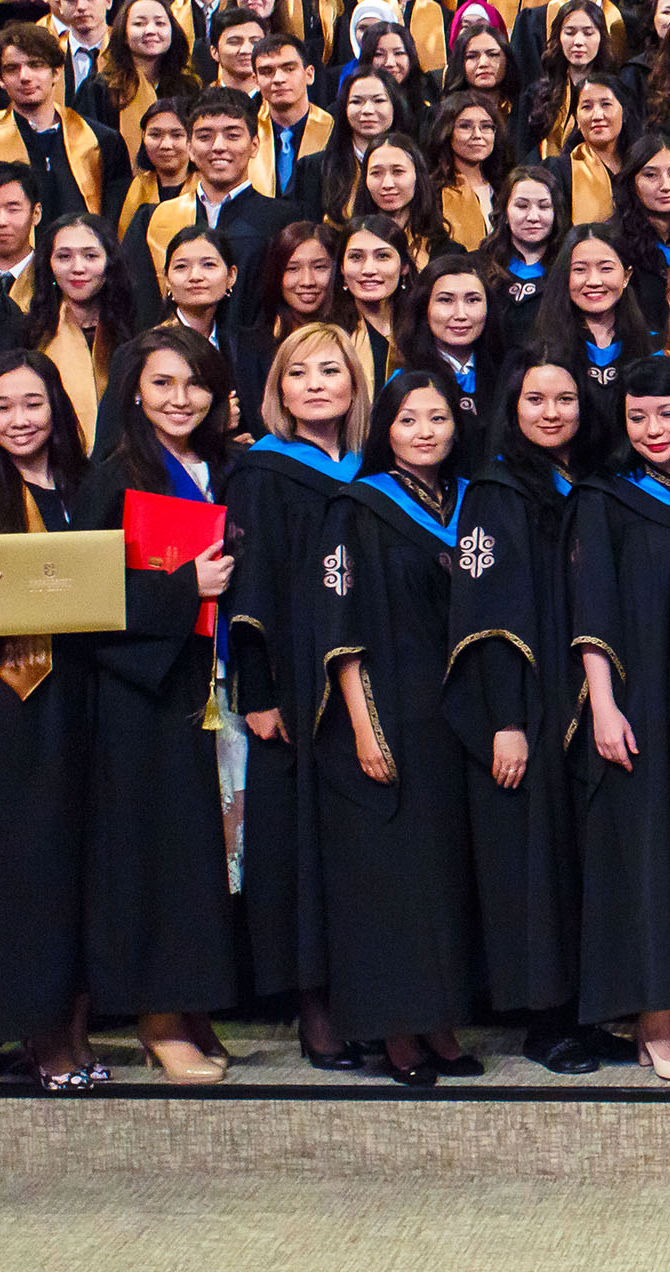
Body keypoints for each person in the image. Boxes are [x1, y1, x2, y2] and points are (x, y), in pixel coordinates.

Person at [75, 323, 241, 1083]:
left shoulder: (226, 468)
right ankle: (157, 1019)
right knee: (160, 853)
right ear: (134, 392)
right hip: (144, 693)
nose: (181, 398)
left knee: (207, 854)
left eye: (195, 383)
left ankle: (194, 1005)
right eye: (163, 383)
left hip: (213, 682)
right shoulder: (115, 477)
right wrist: (184, 589)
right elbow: (91, 599)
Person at [313, 367, 487, 1086]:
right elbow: (340, 627)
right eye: (409, 419)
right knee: (389, 880)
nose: (425, 432)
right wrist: (364, 727)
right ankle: (397, 1035)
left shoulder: (471, 503)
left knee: (441, 875)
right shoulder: (357, 508)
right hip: (385, 712)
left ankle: (439, 1023)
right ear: (385, 429)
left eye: (438, 418)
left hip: (447, 717)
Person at [568, 357, 670, 1083]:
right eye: (637, 417)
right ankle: (656, 1022)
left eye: (666, 413)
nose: (653, 429)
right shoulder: (604, 498)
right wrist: (603, 706)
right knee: (647, 859)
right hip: (640, 705)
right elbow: (592, 607)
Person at [450, 352, 608, 1074]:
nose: (551, 412)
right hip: (530, 704)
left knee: (580, 859)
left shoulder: (589, 482)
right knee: (535, 862)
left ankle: (587, 1012)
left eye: (565, 399)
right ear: (511, 408)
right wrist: (505, 719)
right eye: (536, 399)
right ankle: (546, 1022)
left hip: (584, 696)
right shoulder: (495, 491)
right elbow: (486, 615)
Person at [226, 323, 368, 1073]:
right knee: (301, 849)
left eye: (331, 371)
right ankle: (315, 1008)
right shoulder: (261, 472)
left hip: (367, 680)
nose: (316, 385)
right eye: (299, 373)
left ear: (355, 384)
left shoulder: (376, 468)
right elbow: (247, 588)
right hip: (291, 682)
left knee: (358, 848)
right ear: (277, 390)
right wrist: (258, 691)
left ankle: (370, 997)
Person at [0, 351, 96, 1088]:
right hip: (0, 714)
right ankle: (28, 1037)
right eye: (2, 406)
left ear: (56, 409)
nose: (18, 420)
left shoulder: (85, 491)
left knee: (69, 874)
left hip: (76, 703)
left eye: (32, 403)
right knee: (15, 875)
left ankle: (64, 1033)